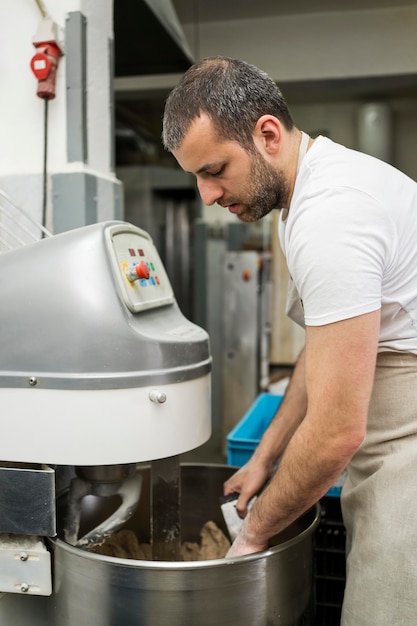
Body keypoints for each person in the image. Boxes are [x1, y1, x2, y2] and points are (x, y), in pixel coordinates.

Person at [162, 56, 417, 625]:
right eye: (197, 177)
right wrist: (265, 458)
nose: (206, 195)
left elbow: (334, 432)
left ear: (267, 134)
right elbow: (322, 352)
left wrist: (253, 535)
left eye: (215, 169)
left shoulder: (332, 216)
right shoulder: (303, 194)